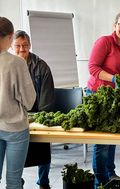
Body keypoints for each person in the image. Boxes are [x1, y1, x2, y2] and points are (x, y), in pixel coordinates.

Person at [86, 12, 120, 188]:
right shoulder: (104, 42)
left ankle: (110, 173)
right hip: (98, 95)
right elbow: (92, 68)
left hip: (115, 97)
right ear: (114, 26)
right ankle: (100, 181)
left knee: (112, 136)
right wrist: (113, 78)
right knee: (102, 140)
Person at [12, 30, 55, 189]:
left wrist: (36, 118)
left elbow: (47, 100)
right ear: (11, 46)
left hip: (38, 114)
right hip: (15, 117)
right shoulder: (8, 65)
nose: (21, 50)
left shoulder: (41, 67)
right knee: (15, 151)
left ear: (30, 46)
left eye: (25, 46)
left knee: (43, 147)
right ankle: (18, 181)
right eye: (17, 46)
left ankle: (44, 182)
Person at [0, 17, 36, 189]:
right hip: (15, 128)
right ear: (11, 37)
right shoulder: (17, 63)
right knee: (14, 181)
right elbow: (29, 101)